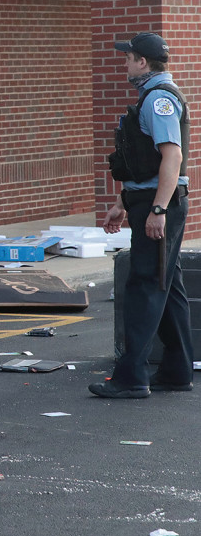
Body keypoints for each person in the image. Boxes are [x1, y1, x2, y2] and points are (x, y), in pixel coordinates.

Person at [95, 32, 193, 398]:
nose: (125, 63)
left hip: (158, 203)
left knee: (145, 286)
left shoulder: (159, 100)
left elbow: (173, 157)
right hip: (147, 199)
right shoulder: (154, 96)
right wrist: (123, 203)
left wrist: (157, 209)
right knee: (168, 289)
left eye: (129, 57)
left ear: (143, 63)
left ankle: (131, 377)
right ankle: (177, 370)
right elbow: (148, 163)